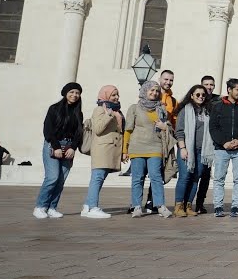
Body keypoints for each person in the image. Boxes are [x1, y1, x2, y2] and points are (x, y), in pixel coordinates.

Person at [208, 78, 238, 218]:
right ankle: (218, 206)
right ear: (229, 89)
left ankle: (235, 206)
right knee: (219, 178)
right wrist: (223, 142)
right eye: (237, 89)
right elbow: (213, 127)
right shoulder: (218, 106)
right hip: (222, 149)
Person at [124, 80, 172, 218]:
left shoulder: (161, 108)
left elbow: (166, 126)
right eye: (151, 90)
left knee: (156, 177)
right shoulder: (134, 108)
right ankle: (136, 206)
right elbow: (128, 130)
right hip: (137, 146)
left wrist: (165, 126)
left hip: (155, 146)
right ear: (145, 90)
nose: (154, 93)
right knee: (137, 177)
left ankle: (160, 206)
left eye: (157, 91)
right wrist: (124, 151)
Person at [80, 86, 121, 219]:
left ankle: (87, 206)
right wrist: (108, 114)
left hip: (110, 150)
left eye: (117, 95)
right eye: (113, 95)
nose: (116, 97)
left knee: (100, 178)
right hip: (102, 149)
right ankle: (92, 207)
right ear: (105, 95)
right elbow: (97, 129)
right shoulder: (100, 109)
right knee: (97, 178)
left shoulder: (115, 109)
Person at [172, 85, 212, 218]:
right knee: (185, 176)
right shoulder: (185, 110)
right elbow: (179, 131)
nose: (201, 97)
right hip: (188, 149)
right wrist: (182, 148)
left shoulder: (206, 111)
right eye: (198, 94)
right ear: (191, 96)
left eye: (203, 95)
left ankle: (188, 205)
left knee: (196, 177)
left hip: (202, 151)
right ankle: (178, 206)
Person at [190, 75, 217, 214]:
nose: (209, 87)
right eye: (206, 84)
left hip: (210, 144)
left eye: (211, 84)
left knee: (206, 175)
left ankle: (200, 203)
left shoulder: (218, 100)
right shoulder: (198, 99)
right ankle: (188, 202)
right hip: (197, 143)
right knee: (195, 174)